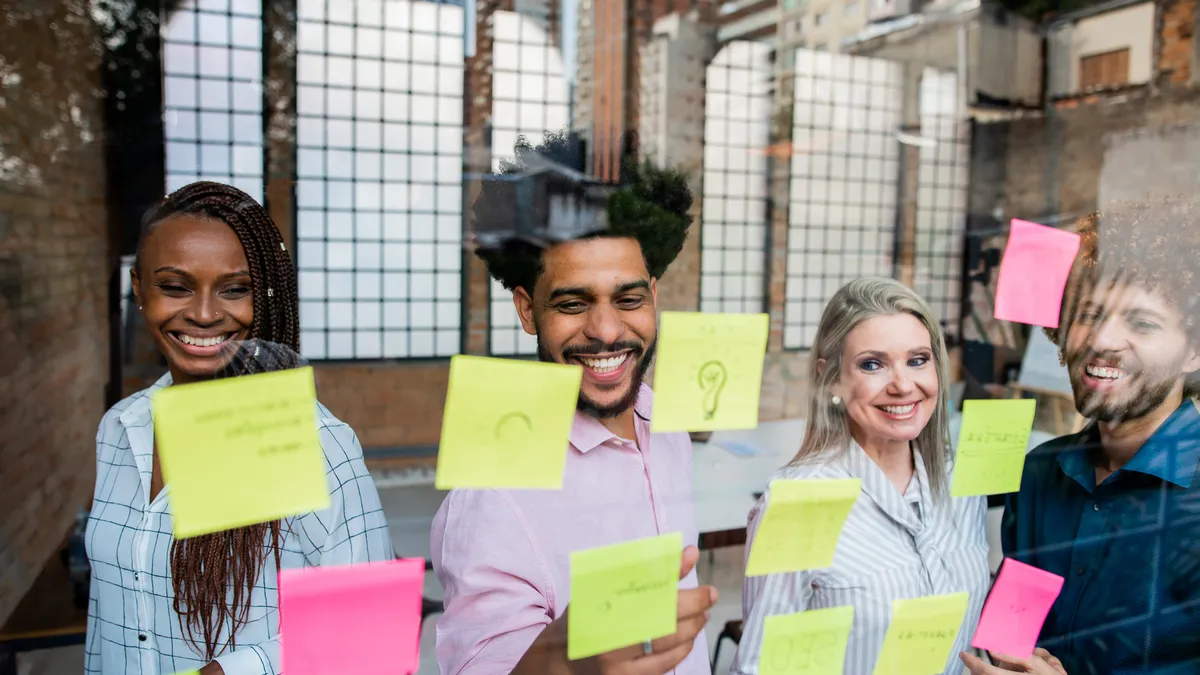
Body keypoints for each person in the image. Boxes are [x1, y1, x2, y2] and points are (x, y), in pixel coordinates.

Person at [430, 132, 718, 675]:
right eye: (572, 303)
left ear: (654, 296)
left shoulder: (667, 426)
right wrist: (564, 659)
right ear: (527, 310)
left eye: (628, 298)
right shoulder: (493, 492)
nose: (607, 331)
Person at [85, 182, 394, 675]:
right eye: (175, 286)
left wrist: (235, 670)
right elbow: (108, 619)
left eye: (235, 288)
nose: (205, 314)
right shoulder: (120, 427)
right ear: (140, 290)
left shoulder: (314, 443)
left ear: (265, 297)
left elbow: (370, 629)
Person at [732, 277, 990, 675]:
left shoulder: (960, 484)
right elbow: (759, 669)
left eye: (918, 360)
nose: (904, 385)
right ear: (832, 378)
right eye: (873, 364)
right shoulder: (800, 506)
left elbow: (968, 642)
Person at [986, 199, 1200, 675]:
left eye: (1141, 323)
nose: (1102, 341)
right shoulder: (1041, 472)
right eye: (1088, 314)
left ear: (1194, 352)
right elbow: (1010, 631)